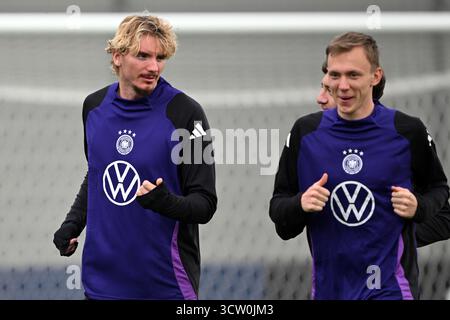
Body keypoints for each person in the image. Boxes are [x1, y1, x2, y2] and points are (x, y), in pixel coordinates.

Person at [269, 32, 449, 299]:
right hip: (330, 290)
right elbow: (280, 216)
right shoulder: (305, 133)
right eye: (335, 75)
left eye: (353, 75)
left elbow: (439, 189)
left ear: (375, 77)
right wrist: (300, 204)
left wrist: (418, 208)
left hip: (390, 289)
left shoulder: (406, 131)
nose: (342, 85)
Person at [53, 15, 217, 300]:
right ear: (117, 56)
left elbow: (205, 203)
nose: (154, 67)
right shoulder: (93, 108)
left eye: (160, 57)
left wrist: (166, 202)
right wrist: (72, 223)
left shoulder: (187, 115)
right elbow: (98, 174)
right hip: (101, 287)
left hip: (165, 288)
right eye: (143, 56)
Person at [316, 65, 450, 247]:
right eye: (323, 87)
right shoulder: (311, 139)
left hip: (389, 271)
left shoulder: (404, 134)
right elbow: (283, 218)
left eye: (329, 90)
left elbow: (444, 217)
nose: (320, 98)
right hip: (332, 271)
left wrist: (390, 239)